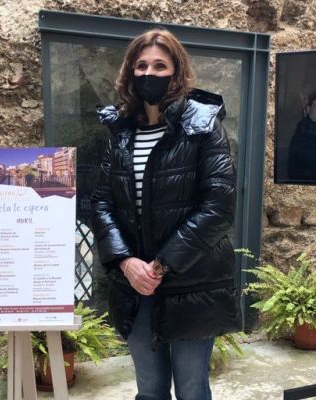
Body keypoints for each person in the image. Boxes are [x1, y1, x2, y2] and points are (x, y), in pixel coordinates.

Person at [90, 28, 240, 400]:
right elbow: (102, 202)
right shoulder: (120, 131)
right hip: (136, 285)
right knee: (150, 389)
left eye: (160, 65)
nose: (149, 73)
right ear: (129, 73)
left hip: (192, 281)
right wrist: (127, 263)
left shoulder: (203, 125)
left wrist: (159, 266)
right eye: (141, 65)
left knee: (191, 389)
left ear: (177, 72)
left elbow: (218, 206)